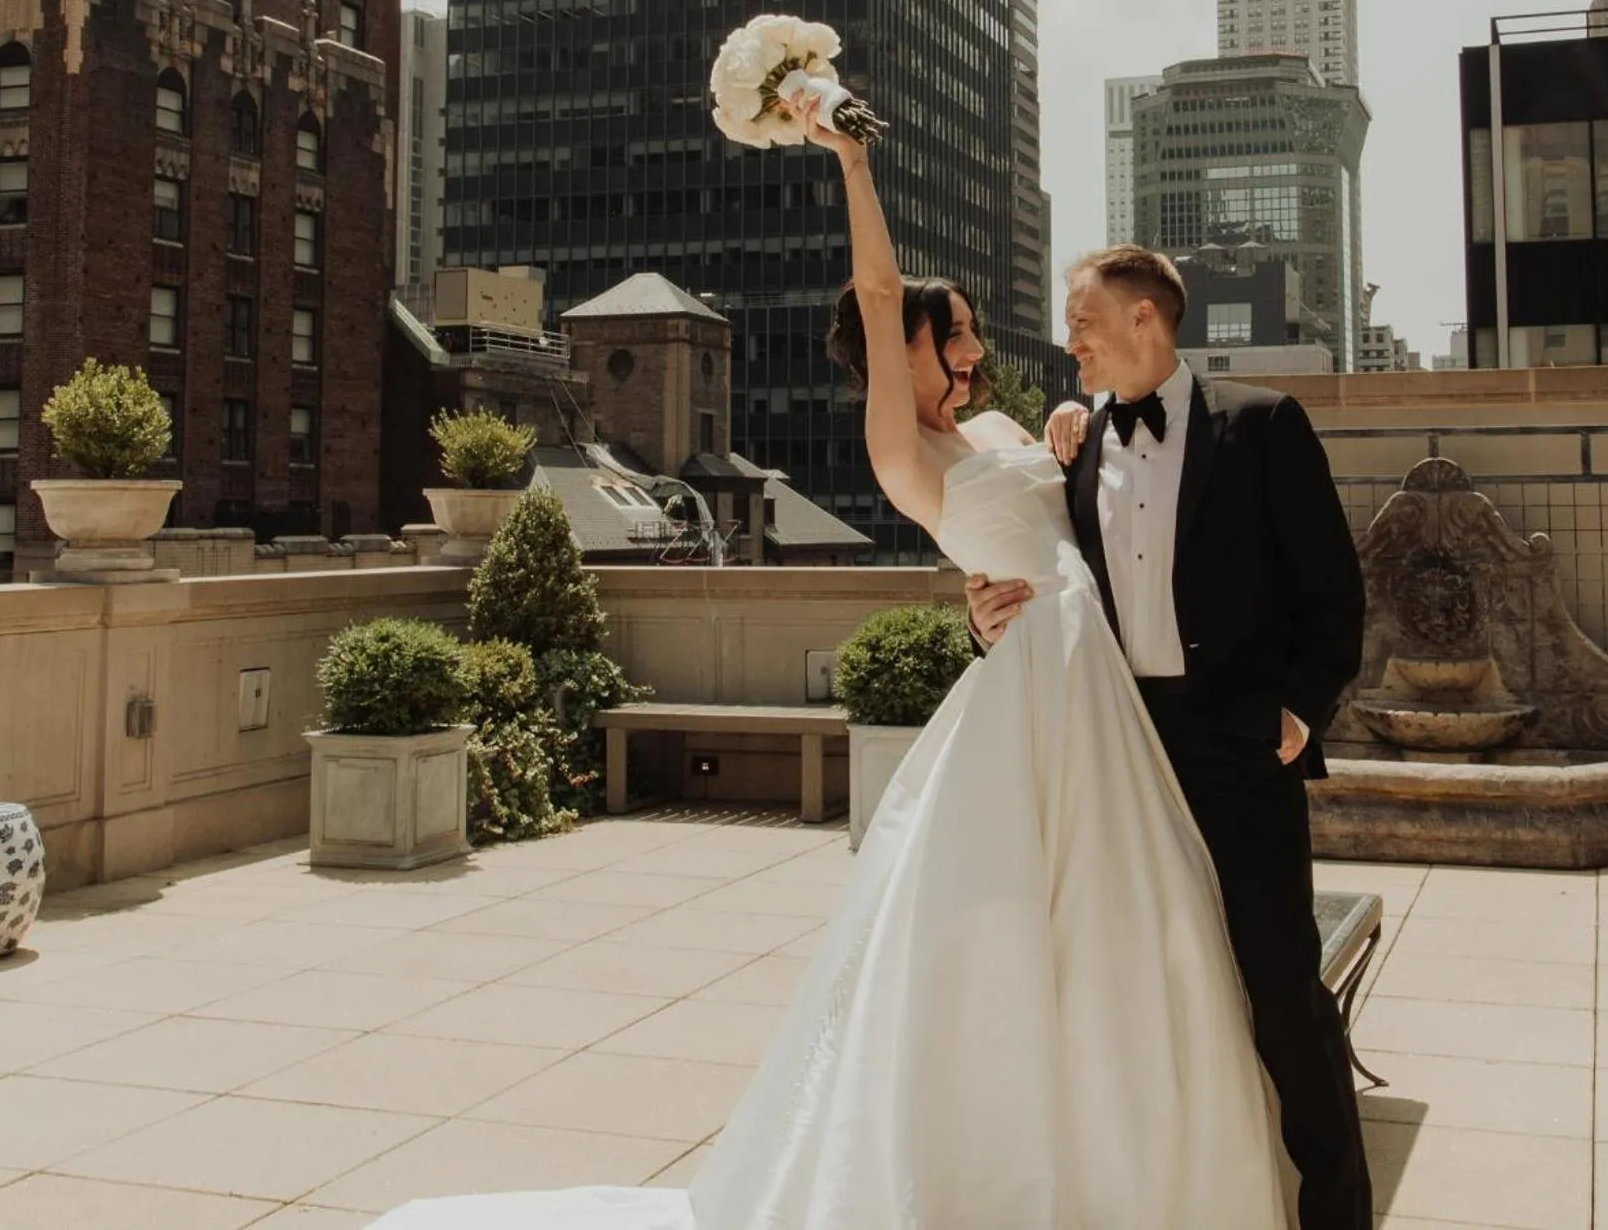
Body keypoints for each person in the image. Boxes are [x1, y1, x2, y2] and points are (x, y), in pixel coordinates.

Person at [369, 99, 1293, 1230]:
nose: (972, 349)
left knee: (1122, 931)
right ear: (904, 344)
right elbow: (871, 289)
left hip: (1090, 680)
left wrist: (1067, 418)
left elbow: (1083, 518)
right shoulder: (896, 446)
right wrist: (850, 160)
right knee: (1005, 932)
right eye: (951, 332)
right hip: (1032, 698)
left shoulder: (1006, 427)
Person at [967, 247, 1372, 1230]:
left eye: (1082, 319)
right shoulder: (1068, 447)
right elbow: (1026, 574)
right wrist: (977, 623)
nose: (1069, 339)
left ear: (1144, 318)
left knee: (1278, 987)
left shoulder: (1263, 424)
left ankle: (1334, 1214)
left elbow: (1333, 591)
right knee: (1132, 984)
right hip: (1113, 749)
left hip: (1237, 748)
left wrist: (1296, 714)